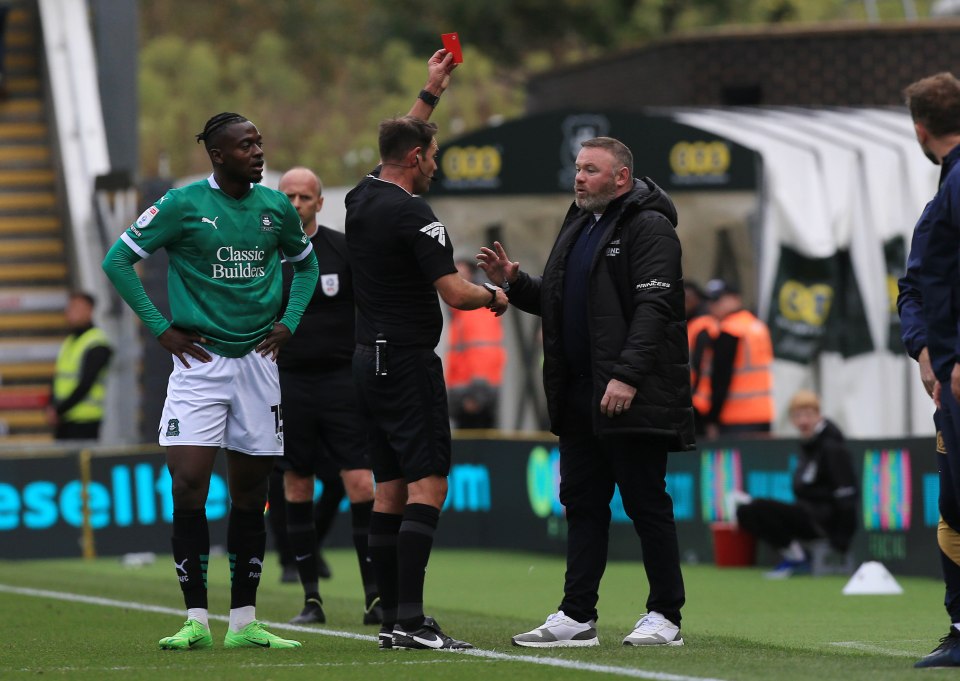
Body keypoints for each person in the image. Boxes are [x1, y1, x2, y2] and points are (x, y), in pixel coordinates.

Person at [101, 112, 318, 650]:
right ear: (217, 155)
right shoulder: (181, 205)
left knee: (250, 494)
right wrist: (160, 328)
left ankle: (243, 621)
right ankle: (196, 618)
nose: (258, 152)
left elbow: (306, 266)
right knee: (188, 483)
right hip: (198, 364)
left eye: (260, 143)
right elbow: (118, 261)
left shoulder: (274, 208)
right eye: (246, 146)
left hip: (257, 366)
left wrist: (289, 322)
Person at [478, 136, 693, 648]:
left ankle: (666, 615)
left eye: (591, 170)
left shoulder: (650, 226)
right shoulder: (578, 222)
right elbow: (562, 301)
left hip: (628, 393)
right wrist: (517, 282)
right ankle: (577, 617)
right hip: (577, 395)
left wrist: (627, 376)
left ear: (621, 178)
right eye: (577, 168)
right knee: (583, 504)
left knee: (646, 503)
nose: (579, 178)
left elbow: (654, 310)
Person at [345, 49, 508, 651]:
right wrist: (495, 294)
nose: (435, 163)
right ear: (417, 160)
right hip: (407, 361)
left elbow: (399, 141)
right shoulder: (417, 214)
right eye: (432, 154)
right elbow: (454, 293)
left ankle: (393, 622)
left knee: (389, 491)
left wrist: (431, 92)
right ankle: (412, 623)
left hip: (367, 360)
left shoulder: (361, 198)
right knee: (429, 485)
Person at [272, 165, 380, 626]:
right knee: (296, 484)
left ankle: (375, 597)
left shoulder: (341, 249)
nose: (296, 205)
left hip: (341, 382)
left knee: (360, 483)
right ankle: (310, 600)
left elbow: (373, 308)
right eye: (288, 197)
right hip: (287, 382)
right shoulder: (262, 256)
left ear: (319, 203)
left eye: (304, 197)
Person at [902, 71, 960, 668]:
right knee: (954, 512)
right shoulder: (941, 197)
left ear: (920, 129)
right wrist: (926, 350)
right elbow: (915, 285)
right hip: (947, 380)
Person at [735, 390, 857, 579]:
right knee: (746, 510)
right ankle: (796, 557)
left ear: (819, 416)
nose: (803, 421)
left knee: (759, 508)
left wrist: (842, 539)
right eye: (798, 416)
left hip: (823, 520)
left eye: (808, 415)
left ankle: (798, 559)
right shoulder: (808, 447)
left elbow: (847, 494)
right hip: (807, 513)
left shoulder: (832, 448)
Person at [692, 279, 773, 438]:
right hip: (762, 413)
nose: (712, 306)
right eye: (710, 301)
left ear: (735, 299)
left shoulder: (730, 330)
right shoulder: (756, 326)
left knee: (732, 463)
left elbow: (721, 378)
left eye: (717, 300)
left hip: (735, 417)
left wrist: (712, 418)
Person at [445, 259, 506, 429]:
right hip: (467, 398)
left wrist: (476, 396)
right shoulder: (462, 313)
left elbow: (483, 354)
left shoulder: (475, 310)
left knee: (477, 451)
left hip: (473, 400)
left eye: (459, 275)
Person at [47, 292, 112, 440]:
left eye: (76, 308)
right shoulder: (70, 341)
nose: (70, 312)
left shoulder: (97, 343)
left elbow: (85, 384)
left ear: (89, 310)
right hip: (64, 419)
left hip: (85, 420)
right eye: (70, 308)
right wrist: (52, 407)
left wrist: (58, 410)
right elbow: (58, 378)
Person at [267, 462, 342, 583]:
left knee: (337, 482)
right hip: (278, 446)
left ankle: (308, 547)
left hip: (320, 445)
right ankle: (289, 561)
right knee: (277, 490)